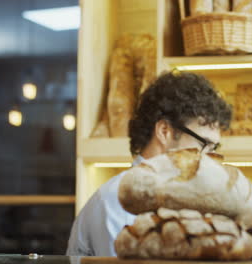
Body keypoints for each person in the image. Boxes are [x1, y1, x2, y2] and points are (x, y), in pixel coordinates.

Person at [66, 71, 232, 256]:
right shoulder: (116, 200)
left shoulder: (185, 201)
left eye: (214, 147)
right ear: (164, 131)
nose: (209, 157)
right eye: (204, 144)